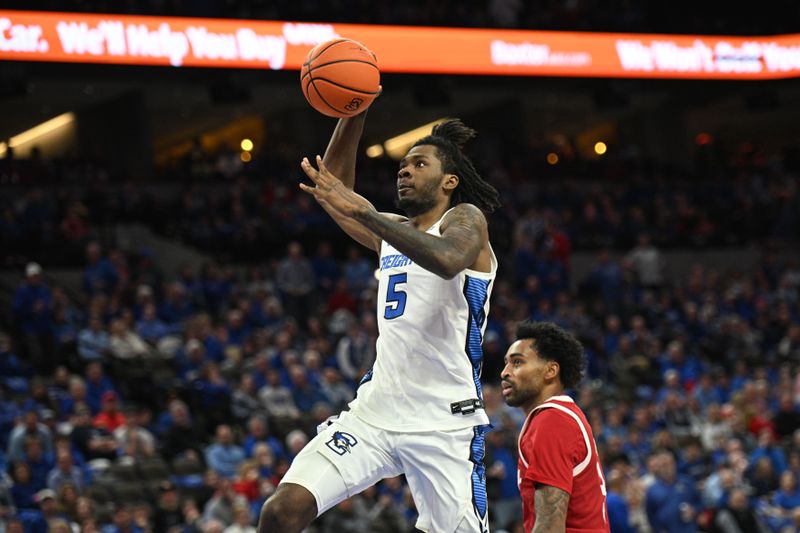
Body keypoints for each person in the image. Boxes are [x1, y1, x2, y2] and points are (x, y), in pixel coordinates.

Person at [259, 106, 500, 533]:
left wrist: (365, 213)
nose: (404, 171)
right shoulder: (390, 230)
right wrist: (355, 111)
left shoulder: (464, 219)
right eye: (402, 165)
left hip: (443, 421)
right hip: (375, 413)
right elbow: (332, 187)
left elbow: (446, 261)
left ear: (450, 181)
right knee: (281, 511)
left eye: (419, 163)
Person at [500, 321, 609, 532]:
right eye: (506, 363)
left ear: (550, 370)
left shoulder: (552, 420)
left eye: (517, 362)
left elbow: (550, 525)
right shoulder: (562, 414)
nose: (504, 372)